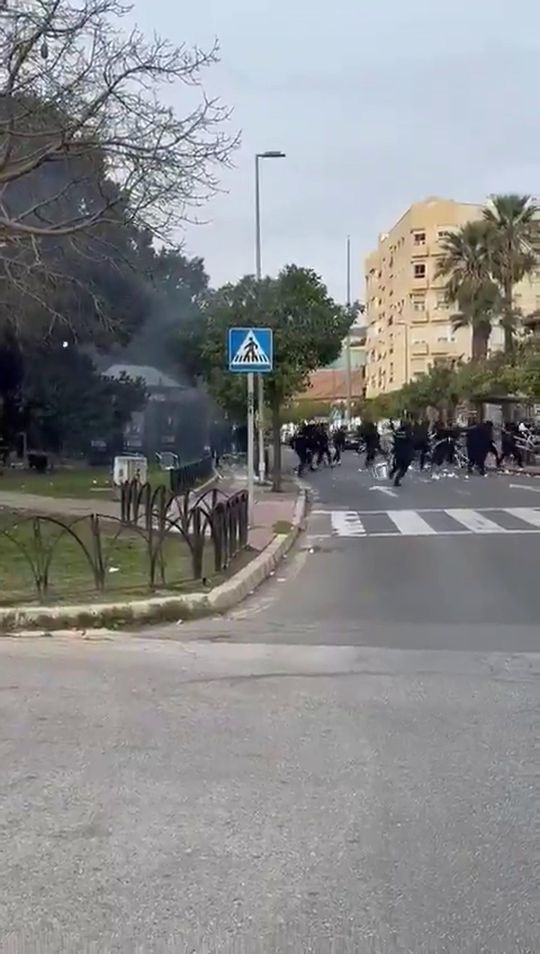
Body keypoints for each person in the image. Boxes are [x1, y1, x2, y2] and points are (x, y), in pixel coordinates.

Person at [389, 420, 414, 487]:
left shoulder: (398, 432)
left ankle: (393, 471)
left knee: (398, 465)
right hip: (407, 452)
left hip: (398, 451)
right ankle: (397, 480)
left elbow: (394, 440)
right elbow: (413, 441)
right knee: (404, 467)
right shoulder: (409, 432)